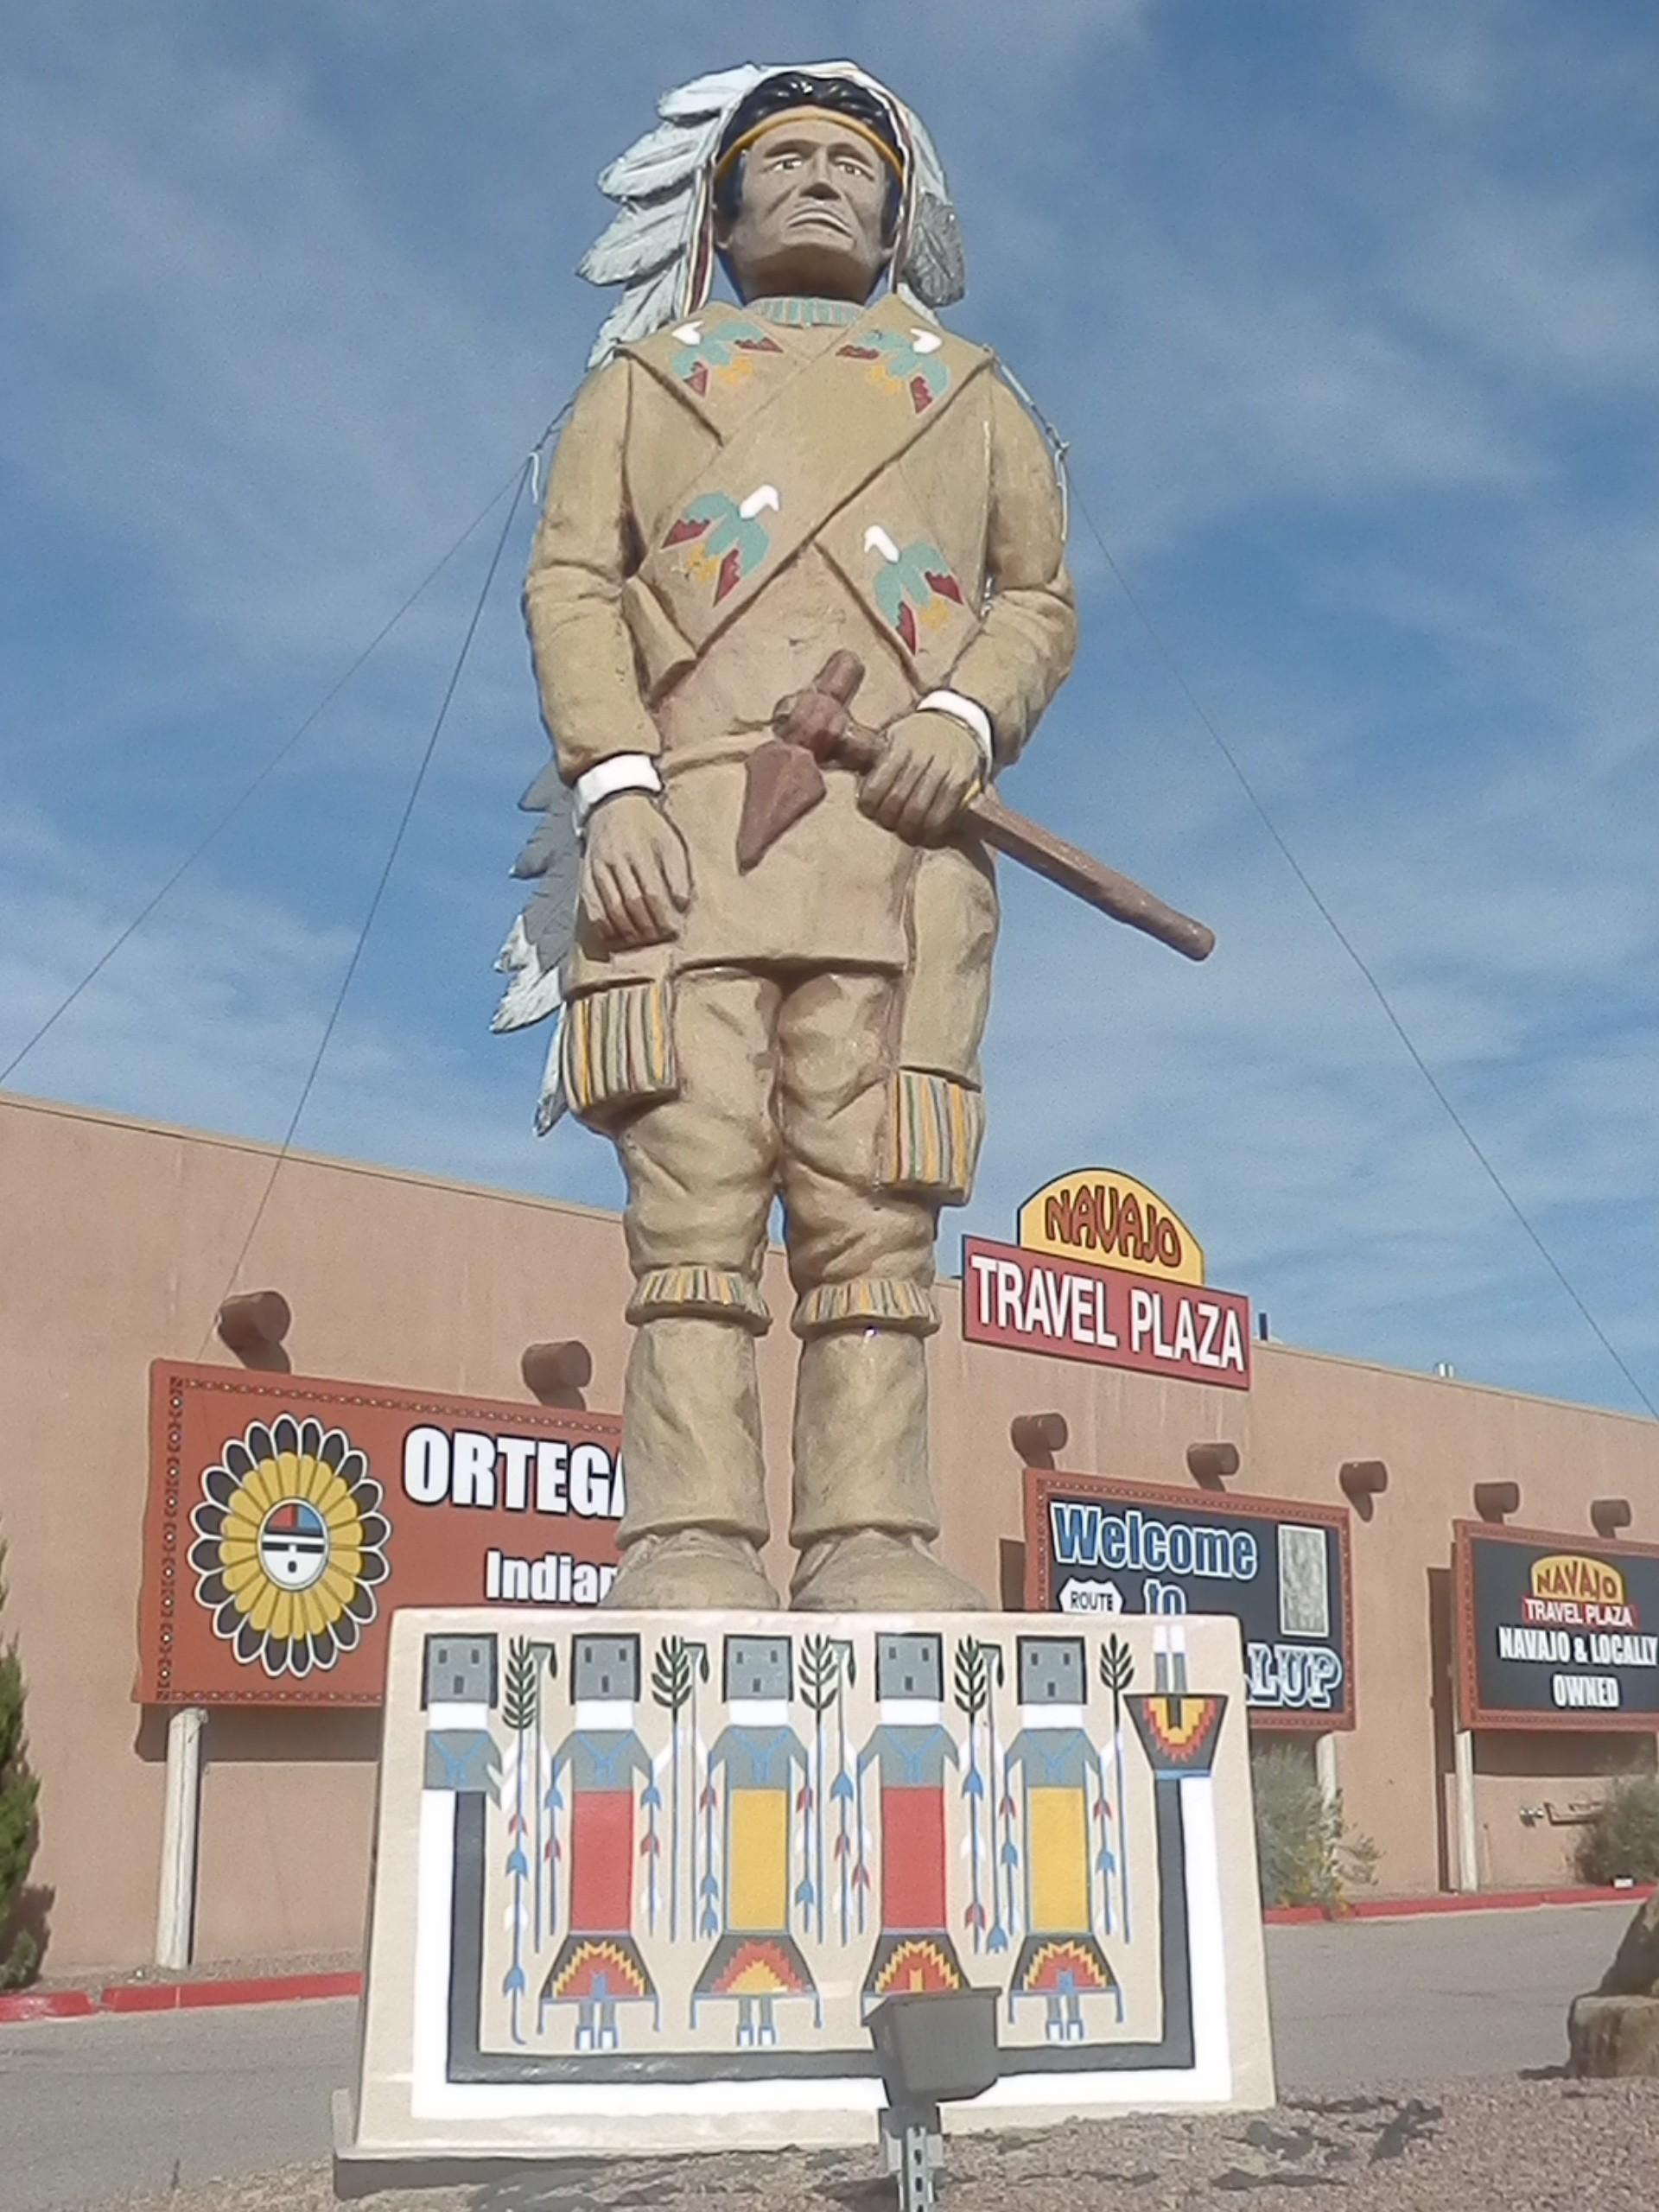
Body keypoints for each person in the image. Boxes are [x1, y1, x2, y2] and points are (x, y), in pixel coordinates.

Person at [518, 64, 1076, 1611]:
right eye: (787, 158)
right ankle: (687, 1531)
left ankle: (869, 1533)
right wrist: (616, 781)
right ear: (722, 207)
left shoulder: (972, 396)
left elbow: (1035, 597)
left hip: (896, 861)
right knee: (691, 1202)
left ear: (899, 216)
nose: (822, 178)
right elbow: (574, 586)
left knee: (872, 1210)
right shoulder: (641, 389)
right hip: (683, 854)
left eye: (853, 161)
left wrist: (961, 717)